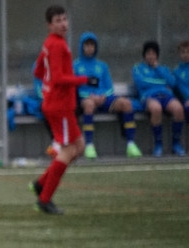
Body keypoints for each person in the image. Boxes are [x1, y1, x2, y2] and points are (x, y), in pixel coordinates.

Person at [30, 5, 90, 215]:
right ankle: (44, 200)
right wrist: (84, 80)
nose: (63, 24)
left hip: (59, 104)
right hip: (60, 106)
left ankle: (41, 184)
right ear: (49, 25)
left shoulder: (51, 43)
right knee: (68, 150)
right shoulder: (56, 45)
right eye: (58, 21)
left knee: (79, 146)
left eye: (65, 19)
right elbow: (57, 78)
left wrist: (48, 89)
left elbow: (39, 71)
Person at [73, 32, 142, 158]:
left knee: (126, 104)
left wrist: (103, 96)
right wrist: (90, 96)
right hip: (87, 99)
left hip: (104, 98)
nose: (89, 48)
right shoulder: (76, 65)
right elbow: (76, 88)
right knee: (89, 105)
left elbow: (109, 87)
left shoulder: (102, 66)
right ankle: (89, 145)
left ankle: (131, 144)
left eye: (92, 45)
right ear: (82, 47)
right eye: (87, 45)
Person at [132, 40, 186, 157]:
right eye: (148, 53)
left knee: (179, 109)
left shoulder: (163, 69)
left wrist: (158, 69)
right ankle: (158, 144)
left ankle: (176, 144)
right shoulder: (138, 68)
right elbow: (141, 83)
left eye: (153, 53)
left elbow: (172, 83)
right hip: (149, 96)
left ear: (157, 55)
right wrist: (161, 82)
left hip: (166, 95)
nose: (151, 56)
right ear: (144, 55)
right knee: (156, 109)